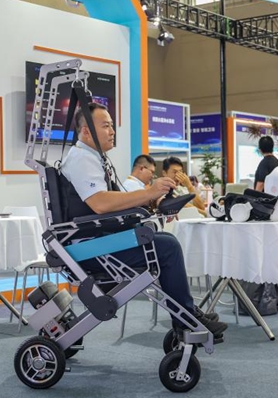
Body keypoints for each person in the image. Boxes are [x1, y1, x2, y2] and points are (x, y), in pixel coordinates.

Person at [60, 102, 227, 341]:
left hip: (98, 242)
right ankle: (186, 319)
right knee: (167, 247)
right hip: (93, 248)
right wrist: (149, 193)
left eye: (111, 126)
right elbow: (100, 203)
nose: (112, 131)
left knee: (165, 241)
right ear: (86, 131)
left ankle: (187, 315)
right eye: (105, 126)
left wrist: (149, 202)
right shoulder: (81, 159)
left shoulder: (91, 158)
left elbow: (108, 203)